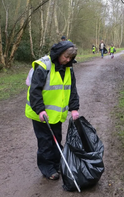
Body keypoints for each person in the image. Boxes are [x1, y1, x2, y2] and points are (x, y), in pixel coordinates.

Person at [25, 41, 80, 181]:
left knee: (56, 139)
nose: (67, 60)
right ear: (59, 53)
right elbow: (34, 91)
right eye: (65, 57)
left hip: (56, 115)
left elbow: (72, 90)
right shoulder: (43, 66)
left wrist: (74, 108)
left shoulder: (69, 68)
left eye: (70, 58)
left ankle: (56, 164)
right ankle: (47, 168)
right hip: (40, 114)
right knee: (45, 142)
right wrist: (40, 110)